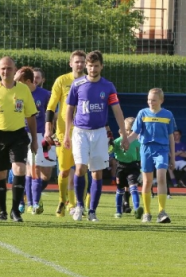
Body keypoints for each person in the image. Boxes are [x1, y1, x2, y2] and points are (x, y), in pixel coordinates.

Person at [63, 50, 129, 222]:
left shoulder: (108, 86)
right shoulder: (77, 85)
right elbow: (69, 109)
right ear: (86, 65)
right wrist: (66, 134)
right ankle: (79, 205)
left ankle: (92, 211)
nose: (93, 69)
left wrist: (124, 134)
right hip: (80, 132)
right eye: (90, 66)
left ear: (102, 66)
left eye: (96, 66)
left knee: (97, 173)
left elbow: (117, 111)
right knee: (79, 168)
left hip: (99, 133)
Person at [0, 56, 38, 222]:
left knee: (19, 169)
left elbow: (31, 116)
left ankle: (15, 211)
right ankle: (2, 211)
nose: (6, 71)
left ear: (14, 70)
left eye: (9, 68)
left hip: (18, 135)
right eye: (3, 68)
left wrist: (35, 140)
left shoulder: (23, 90)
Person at [44, 50, 86, 217]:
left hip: (84, 132)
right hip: (64, 133)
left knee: (82, 169)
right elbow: (51, 105)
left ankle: (78, 205)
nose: (80, 64)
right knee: (64, 171)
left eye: (82, 61)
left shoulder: (89, 81)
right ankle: (63, 200)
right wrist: (49, 127)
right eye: (77, 62)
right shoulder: (62, 80)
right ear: (71, 63)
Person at [127, 88, 176, 224]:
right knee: (147, 181)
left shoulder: (168, 115)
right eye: (149, 99)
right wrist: (125, 142)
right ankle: (147, 213)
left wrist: (172, 157)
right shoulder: (142, 113)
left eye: (153, 100)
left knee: (161, 177)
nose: (150, 102)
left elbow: (171, 136)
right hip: (146, 149)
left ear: (161, 100)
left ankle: (161, 212)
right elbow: (135, 133)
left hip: (162, 149)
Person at [15, 66, 54, 215]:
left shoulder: (45, 94)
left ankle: (32, 201)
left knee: (41, 171)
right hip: (21, 134)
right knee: (26, 170)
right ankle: (28, 202)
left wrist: (50, 132)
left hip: (40, 135)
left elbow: (51, 115)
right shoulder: (17, 93)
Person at [112, 117, 142, 219]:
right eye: (127, 130)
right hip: (120, 167)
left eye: (132, 131)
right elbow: (109, 150)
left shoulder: (137, 142)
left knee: (133, 187)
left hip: (133, 166)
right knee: (120, 189)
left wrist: (141, 170)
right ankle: (118, 211)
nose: (129, 133)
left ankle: (137, 209)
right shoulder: (117, 141)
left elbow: (139, 157)